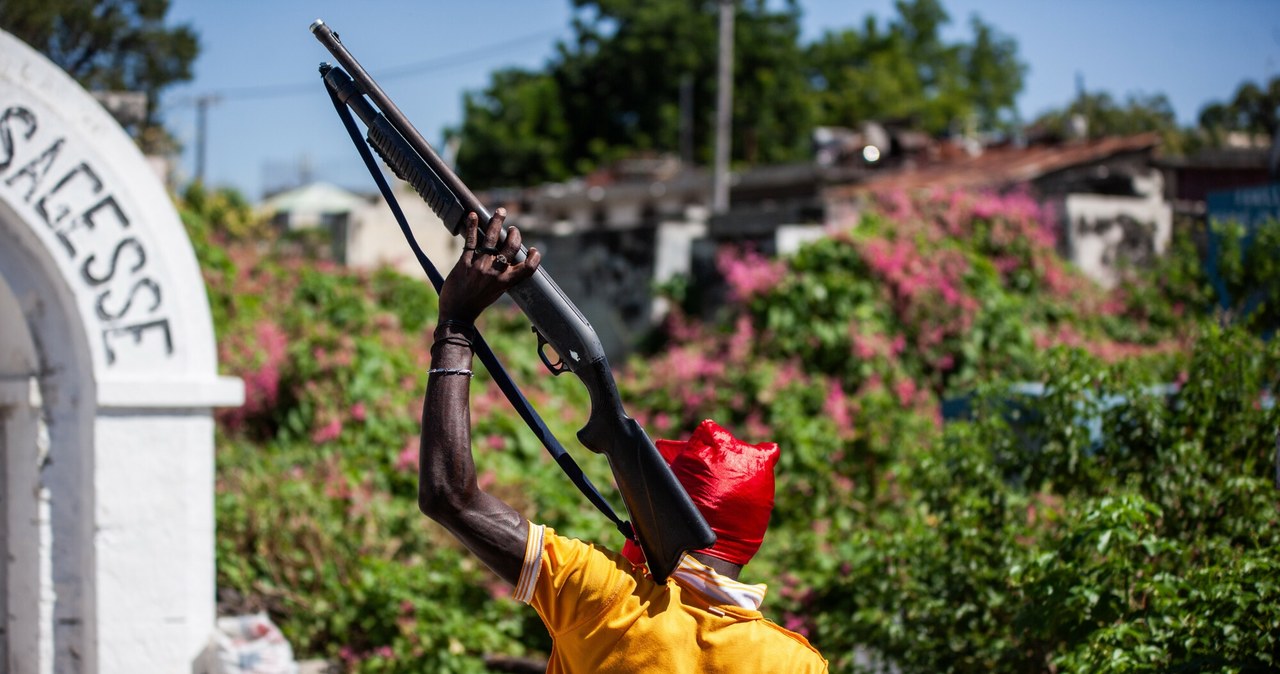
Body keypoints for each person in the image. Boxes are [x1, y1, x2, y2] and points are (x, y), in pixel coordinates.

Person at [419, 209, 828, 673]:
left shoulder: (606, 596)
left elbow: (449, 497)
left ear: (668, 505)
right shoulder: (796, 662)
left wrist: (454, 325)